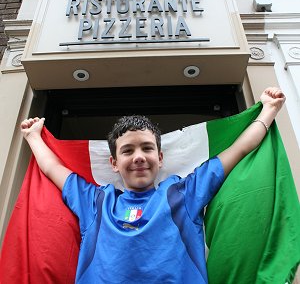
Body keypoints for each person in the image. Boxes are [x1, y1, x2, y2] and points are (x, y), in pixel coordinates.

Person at [20, 87, 286, 284]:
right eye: (128, 151)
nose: (138, 156)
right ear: (114, 163)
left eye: (147, 148)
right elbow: (52, 168)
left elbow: (239, 149)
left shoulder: (183, 194)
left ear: (159, 158)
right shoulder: (96, 202)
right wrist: (33, 138)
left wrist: (269, 110)